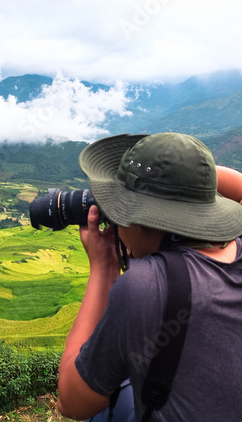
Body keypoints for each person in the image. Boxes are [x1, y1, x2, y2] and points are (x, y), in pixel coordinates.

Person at [56, 132, 242, 421]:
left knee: (111, 399)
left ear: (139, 223)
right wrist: (186, 180)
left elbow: (71, 402)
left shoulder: (145, 287)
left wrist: (103, 267)